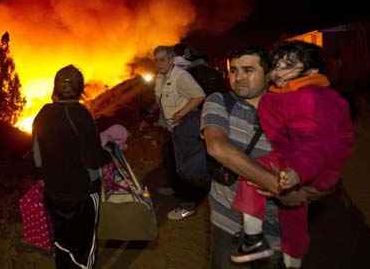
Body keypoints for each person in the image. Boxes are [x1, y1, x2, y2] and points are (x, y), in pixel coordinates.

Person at [201, 46, 331, 269]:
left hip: (277, 229)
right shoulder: (220, 101)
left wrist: (305, 194)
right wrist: (279, 187)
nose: (238, 78)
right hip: (227, 220)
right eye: (233, 71)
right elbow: (217, 147)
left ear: (269, 73)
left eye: (248, 70)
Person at [230, 42, 354, 268]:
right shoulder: (281, 95)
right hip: (290, 160)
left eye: (288, 66)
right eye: (276, 66)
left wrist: (297, 173)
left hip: (310, 165)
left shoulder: (312, 98)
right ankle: (262, 244)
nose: (278, 72)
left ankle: (268, 248)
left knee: (287, 213)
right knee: (288, 213)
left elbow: (316, 145)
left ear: (312, 71)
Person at [32, 65, 104, 269]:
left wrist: (45, 178)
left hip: (53, 191)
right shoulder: (82, 115)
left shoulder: (43, 113)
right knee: (84, 243)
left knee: (61, 238)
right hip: (82, 193)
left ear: (56, 88)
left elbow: (37, 153)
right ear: (80, 88)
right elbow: (92, 159)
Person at [152, 45, 207, 220]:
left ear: (170, 59)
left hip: (186, 123)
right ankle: (176, 188)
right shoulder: (160, 77)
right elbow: (161, 100)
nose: (158, 63)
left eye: (162, 59)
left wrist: (181, 113)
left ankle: (189, 204)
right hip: (172, 126)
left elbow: (199, 95)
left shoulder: (181, 76)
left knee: (186, 166)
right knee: (171, 160)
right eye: (156, 60)